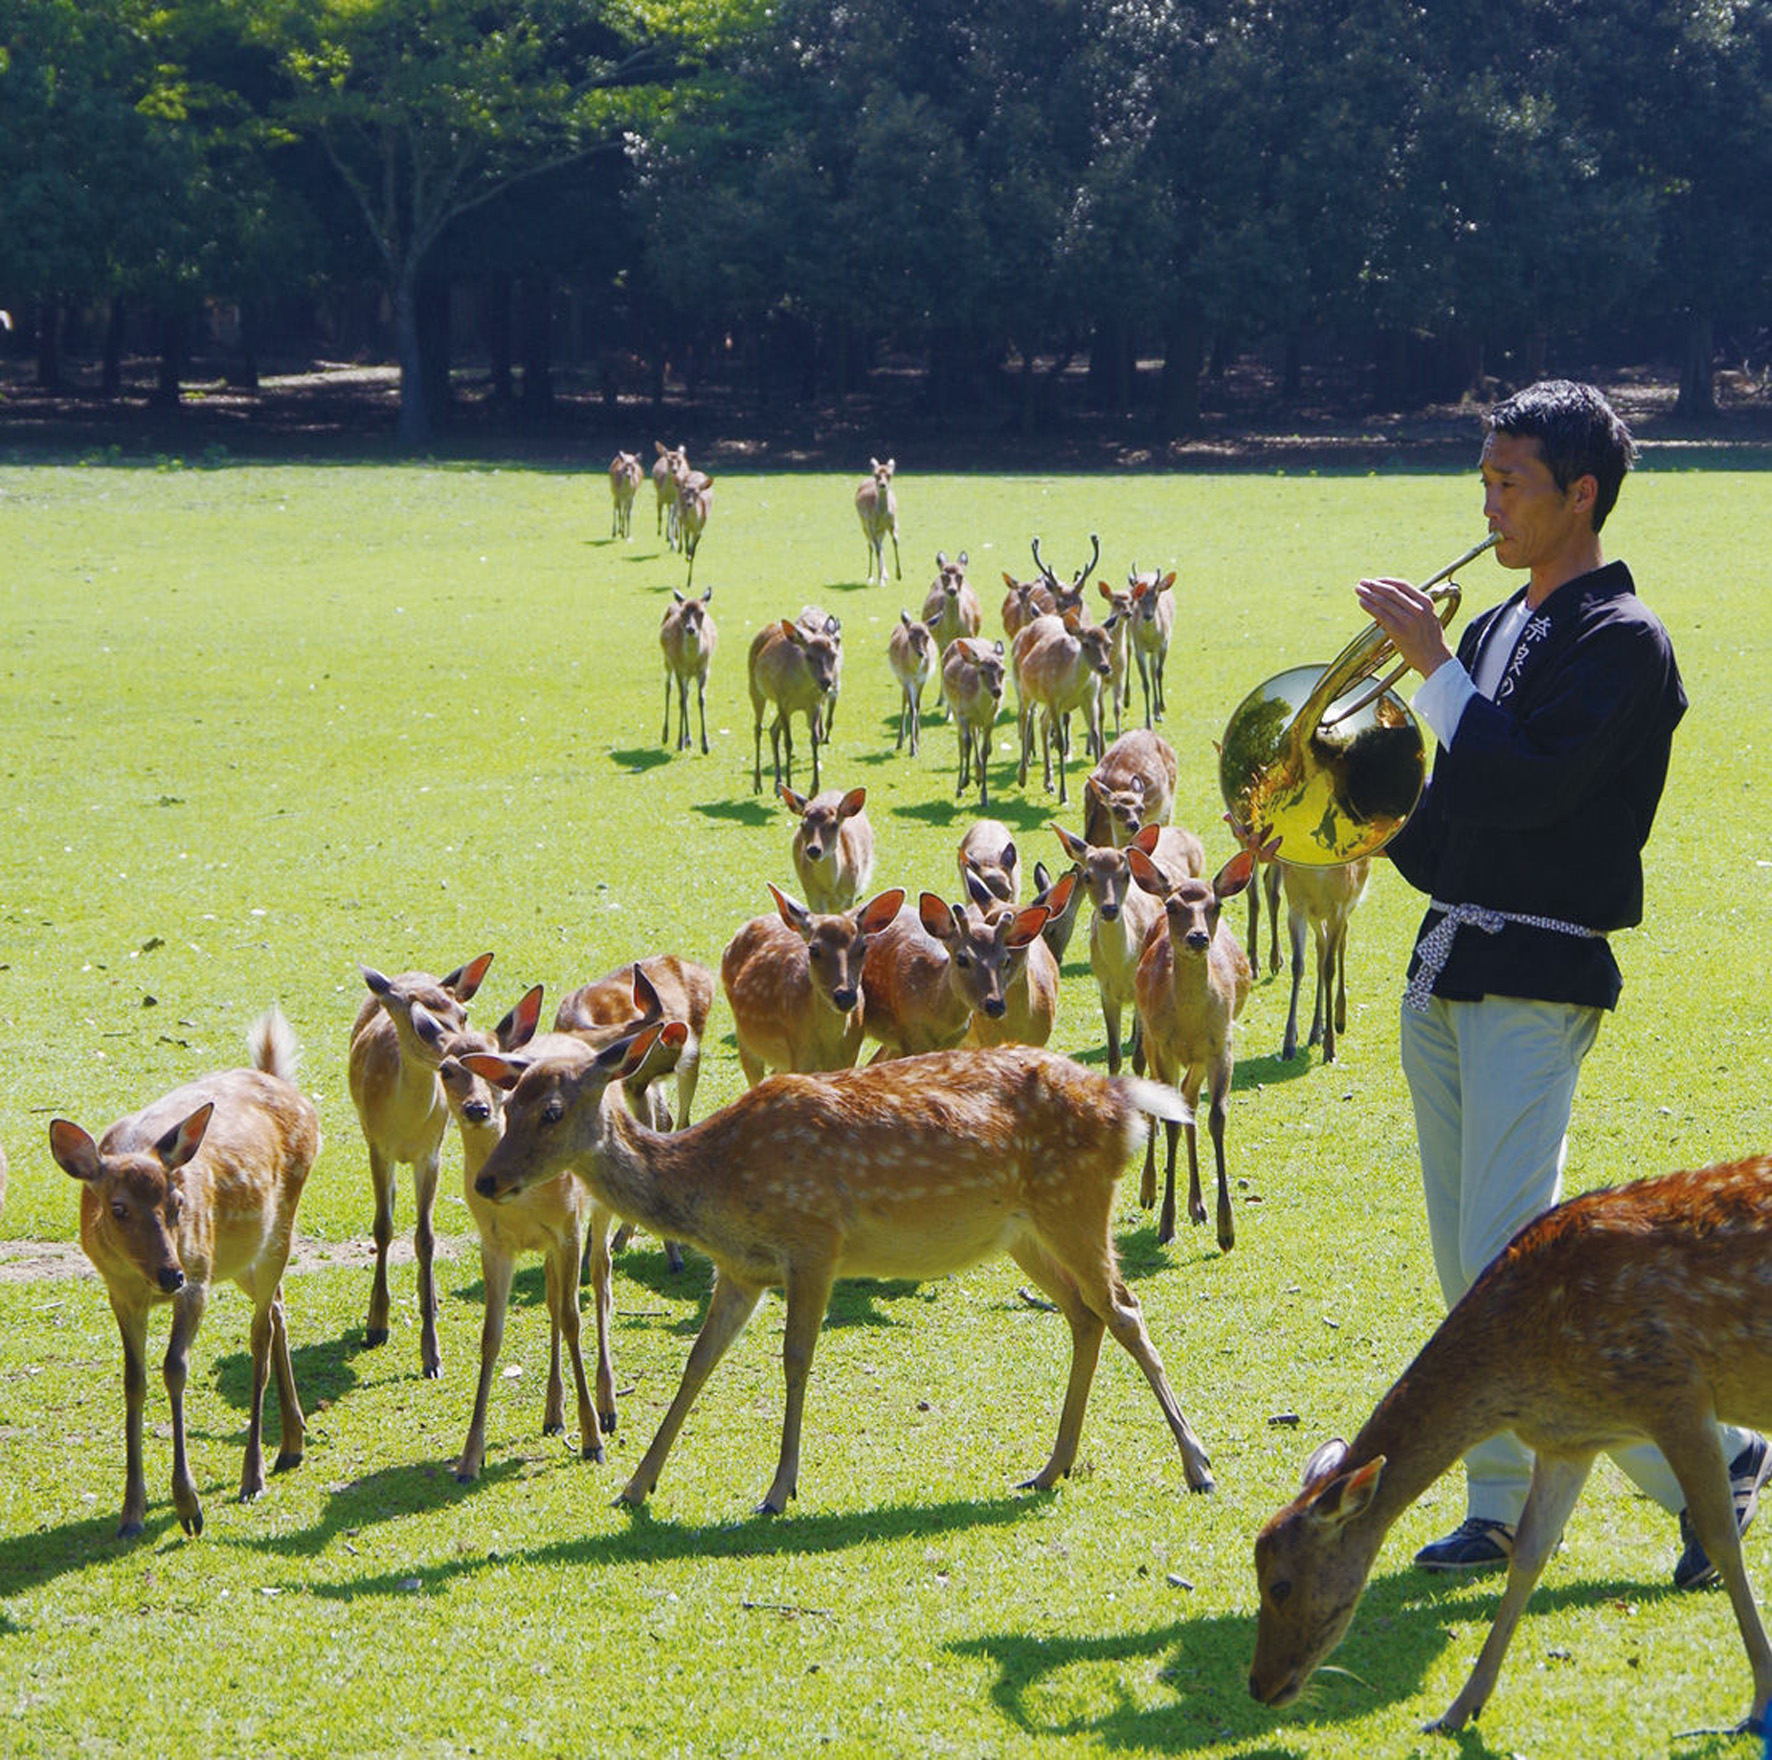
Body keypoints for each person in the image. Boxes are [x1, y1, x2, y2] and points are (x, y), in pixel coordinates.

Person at [1353, 379, 1768, 1589]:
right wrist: (1343, 819)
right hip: (1446, 967)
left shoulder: (1622, 642)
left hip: (1538, 972)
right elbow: (1454, 826)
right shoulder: (1489, 630)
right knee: (1464, 1262)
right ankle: (1492, 1504)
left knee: (1512, 1265)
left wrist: (1430, 665)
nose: (1486, 505)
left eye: (1508, 484)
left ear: (1579, 495)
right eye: (1482, 481)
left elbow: (1530, 789)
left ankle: (1724, 1466)